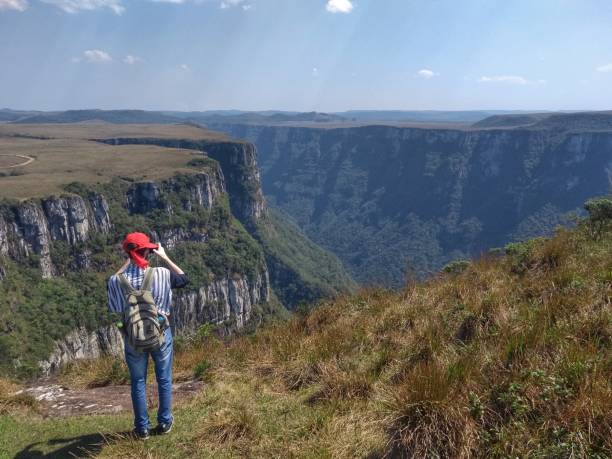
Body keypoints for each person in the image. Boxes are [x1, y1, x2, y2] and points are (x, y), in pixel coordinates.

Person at [107, 232, 188, 440]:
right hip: (160, 334)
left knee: (138, 381)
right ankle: (164, 422)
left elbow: (111, 285)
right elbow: (183, 278)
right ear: (147, 252)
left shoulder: (117, 281)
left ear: (128, 253)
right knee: (164, 378)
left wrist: (127, 261)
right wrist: (164, 256)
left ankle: (142, 428)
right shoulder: (161, 273)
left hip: (133, 338)